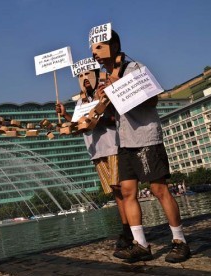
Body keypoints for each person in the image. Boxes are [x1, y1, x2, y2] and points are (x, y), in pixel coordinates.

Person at [91, 29, 190, 263]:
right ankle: (140, 244)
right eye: (92, 49)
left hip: (146, 137)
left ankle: (179, 240)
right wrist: (102, 101)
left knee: (159, 189)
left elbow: (153, 99)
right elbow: (112, 116)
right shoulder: (105, 77)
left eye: (98, 47)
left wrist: (118, 86)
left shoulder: (134, 68)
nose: (94, 53)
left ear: (114, 46)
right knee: (127, 192)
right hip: (124, 141)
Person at [56, 67, 133, 257]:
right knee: (115, 192)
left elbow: (114, 119)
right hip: (96, 151)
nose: (84, 79)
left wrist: (98, 116)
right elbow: (78, 124)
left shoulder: (105, 94)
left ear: (96, 75)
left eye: (87, 74)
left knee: (122, 188)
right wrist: (65, 115)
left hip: (113, 146)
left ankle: (131, 230)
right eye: (80, 76)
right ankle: (126, 228)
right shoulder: (81, 102)